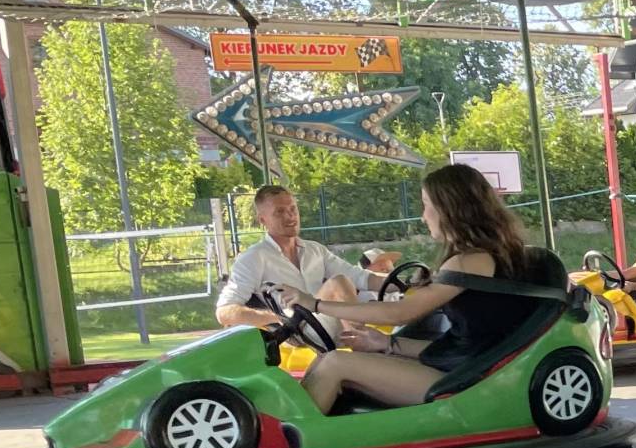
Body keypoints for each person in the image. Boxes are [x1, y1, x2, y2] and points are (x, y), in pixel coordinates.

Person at [273, 163, 538, 416]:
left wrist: (316, 304)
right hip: (465, 366)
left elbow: (399, 313)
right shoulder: (489, 255)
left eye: (426, 205)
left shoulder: (470, 261)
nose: (423, 216)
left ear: (450, 208)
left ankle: (285, 442)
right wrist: (386, 343)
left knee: (334, 364)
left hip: (467, 380)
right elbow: (464, 341)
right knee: (323, 361)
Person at [215, 185, 398, 343]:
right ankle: (363, 343)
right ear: (263, 220)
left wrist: (402, 283)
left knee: (390, 308)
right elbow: (224, 312)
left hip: (327, 320)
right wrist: (277, 317)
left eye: (293, 209)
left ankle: (371, 341)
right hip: (298, 331)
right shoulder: (253, 258)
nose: (290, 216)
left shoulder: (315, 250)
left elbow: (361, 278)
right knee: (339, 283)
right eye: (280, 212)